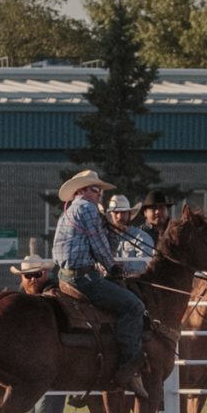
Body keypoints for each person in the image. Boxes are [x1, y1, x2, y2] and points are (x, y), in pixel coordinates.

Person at [51, 169, 149, 396]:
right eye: (96, 189)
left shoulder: (69, 211)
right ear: (82, 190)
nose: (99, 195)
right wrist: (113, 266)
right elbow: (99, 246)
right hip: (84, 278)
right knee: (134, 306)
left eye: (100, 191)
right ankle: (129, 367)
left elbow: (97, 241)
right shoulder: (86, 208)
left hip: (66, 275)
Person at [12, 254, 65, 413]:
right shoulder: (25, 301)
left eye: (36, 275)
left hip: (51, 370)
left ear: (45, 275)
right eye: (28, 276)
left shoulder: (53, 297)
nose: (32, 280)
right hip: (34, 374)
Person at [107, 194, 153, 275]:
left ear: (129, 214)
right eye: (116, 212)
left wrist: (121, 265)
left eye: (123, 212)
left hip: (133, 284)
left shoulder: (141, 237)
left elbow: (146, 263)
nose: (120, 216)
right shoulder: (104, 237)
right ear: (111, 215)